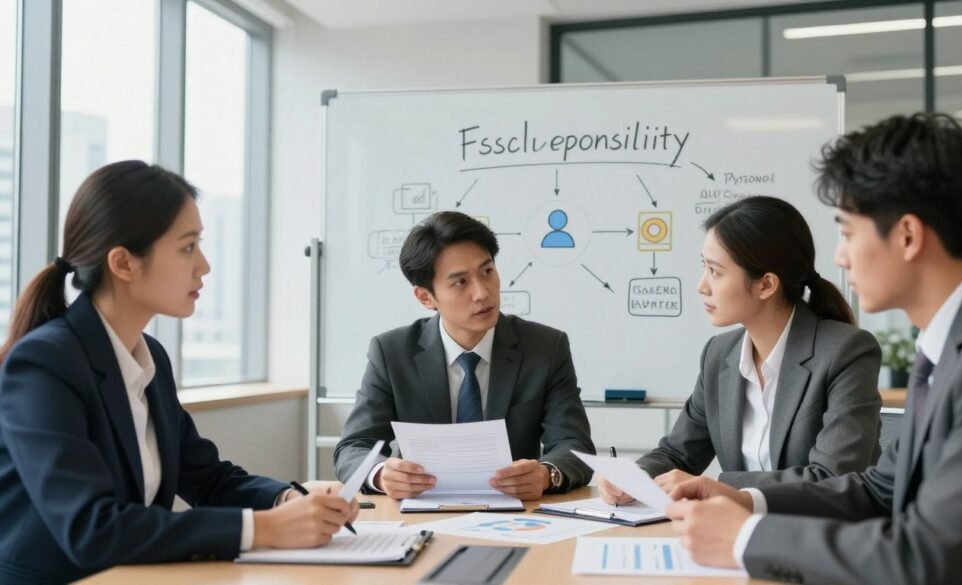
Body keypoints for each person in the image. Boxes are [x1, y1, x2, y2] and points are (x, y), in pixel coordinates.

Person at [665, 113, 962, 585]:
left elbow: (928, 556)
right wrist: (744, 499)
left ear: (908, 235)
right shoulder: (961, 336)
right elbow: (878, 491)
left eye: (848, 232)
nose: (839, 256)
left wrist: (745, 539)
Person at [0, 161, 359, 585]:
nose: (204, 265)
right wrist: (263, 528)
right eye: (188, 247)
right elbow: (91, 528)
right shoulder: (45, 363)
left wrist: (288, 499)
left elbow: (207, 479)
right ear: (123, 263)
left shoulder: (149, 356)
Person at [599, 196, 882, 505]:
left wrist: (718, 486)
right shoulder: (719, 354)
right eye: (704, 267)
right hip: (738, 529)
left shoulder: (846, 352)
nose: (702, 285)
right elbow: (677, 454)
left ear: (766, 285)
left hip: (826, 529)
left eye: (715, 271)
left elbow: (831, 477)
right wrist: (633, 478)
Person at [334, 211, 595, 500]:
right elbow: (353, 447)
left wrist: (547, 474)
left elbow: (574, 444)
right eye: (460, 282)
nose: (482, 293)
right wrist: (382, 474)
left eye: (487, 272)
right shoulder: (392, 353)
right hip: (422, 511)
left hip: (517, 513)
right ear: (425, 297)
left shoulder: (545, 348)